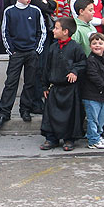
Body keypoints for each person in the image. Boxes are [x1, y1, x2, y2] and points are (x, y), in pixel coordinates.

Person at [0, 0, 46, 127]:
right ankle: (4, 112)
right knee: (11, 82)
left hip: (31, 52)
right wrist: (11, 51)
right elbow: (5, 32)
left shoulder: (35, 11)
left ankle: (25, 109)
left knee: (30, 83)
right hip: (16, 53)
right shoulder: (9, 11)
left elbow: (41, 32)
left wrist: (37, 50)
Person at [39, 17, 87, 151]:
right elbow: (46, 67)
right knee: (51, 114)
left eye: (56, 28)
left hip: (70, 89)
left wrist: (75, 71)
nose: (53, 30)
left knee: (70, 116)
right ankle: (51, 138)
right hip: (55, 87)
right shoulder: (53, 47)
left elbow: (82, 63)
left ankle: (69, 139)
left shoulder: (76, 47)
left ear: (65, 31)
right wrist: (44, 85)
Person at [81, 33, 104, 150]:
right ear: (90, 46)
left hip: (103, 95)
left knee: (102, 118)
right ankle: (93, 139)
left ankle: (97, 135)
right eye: (94, 43)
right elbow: (93, 75)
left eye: (100, 43)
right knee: (93, 118)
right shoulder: (91, 60)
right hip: (92, 95)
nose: (97, 45)